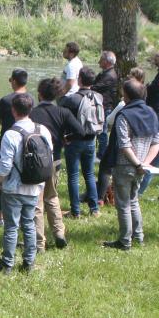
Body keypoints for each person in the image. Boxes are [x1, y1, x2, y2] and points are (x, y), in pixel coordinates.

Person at [0, 93, 52, 274]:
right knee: (29, 224)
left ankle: (7, 264)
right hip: (34, 187)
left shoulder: (10, 134)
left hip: (13, 188)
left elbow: (5, 166)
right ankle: (28, 263)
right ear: (31, 109)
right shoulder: (43, 130)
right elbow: (49, 157)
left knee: (11, 227)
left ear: (13, 110)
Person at [102, 80, 159, 251]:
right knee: (134, 200)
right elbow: (157, 141)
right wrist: (145, 163)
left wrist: (137, 163)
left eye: (123, 93)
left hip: (125, 165)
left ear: (127, 96)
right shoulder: (151, 112)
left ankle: (125, 241)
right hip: (143, 165)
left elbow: (124, 144)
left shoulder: (124, 115)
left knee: (123, 204)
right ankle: (139, 236)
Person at [29, 78, 84, 251]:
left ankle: (39, 242)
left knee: (37, 202)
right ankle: (59, 233)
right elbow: (81, 132)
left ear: (39, 94)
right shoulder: (63, 112)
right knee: (52, 197)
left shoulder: (32, 113)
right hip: (54, 160)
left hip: (36, 162)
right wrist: (66, 139)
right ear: (57, 95)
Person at [59, 68, 104, 218]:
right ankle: (94, 209)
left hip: (74, 140)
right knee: (89, 174)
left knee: (73, 175)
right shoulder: (98, 97)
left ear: (79, 80)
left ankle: (75, 211)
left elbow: (63, 117)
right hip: (91, 139)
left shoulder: (73, 99)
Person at [0, 68, 29, 225]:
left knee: (3, 176)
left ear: (15, 81)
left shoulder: (6, 100)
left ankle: (0, 215)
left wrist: (4, 121)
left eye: (10, 79)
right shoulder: (31, 99)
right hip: (27, 144)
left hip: (8, 142)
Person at [90, 51, 121, 206]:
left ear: (107, 62)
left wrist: (88, 85)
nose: (98, 62)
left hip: (105, 106)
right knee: (100, 132)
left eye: (101, 59)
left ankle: (102, 153)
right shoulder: (105, 73)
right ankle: (100, 152)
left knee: (102, 133)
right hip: (102, 106)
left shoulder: (110, 76)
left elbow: (95, 87)